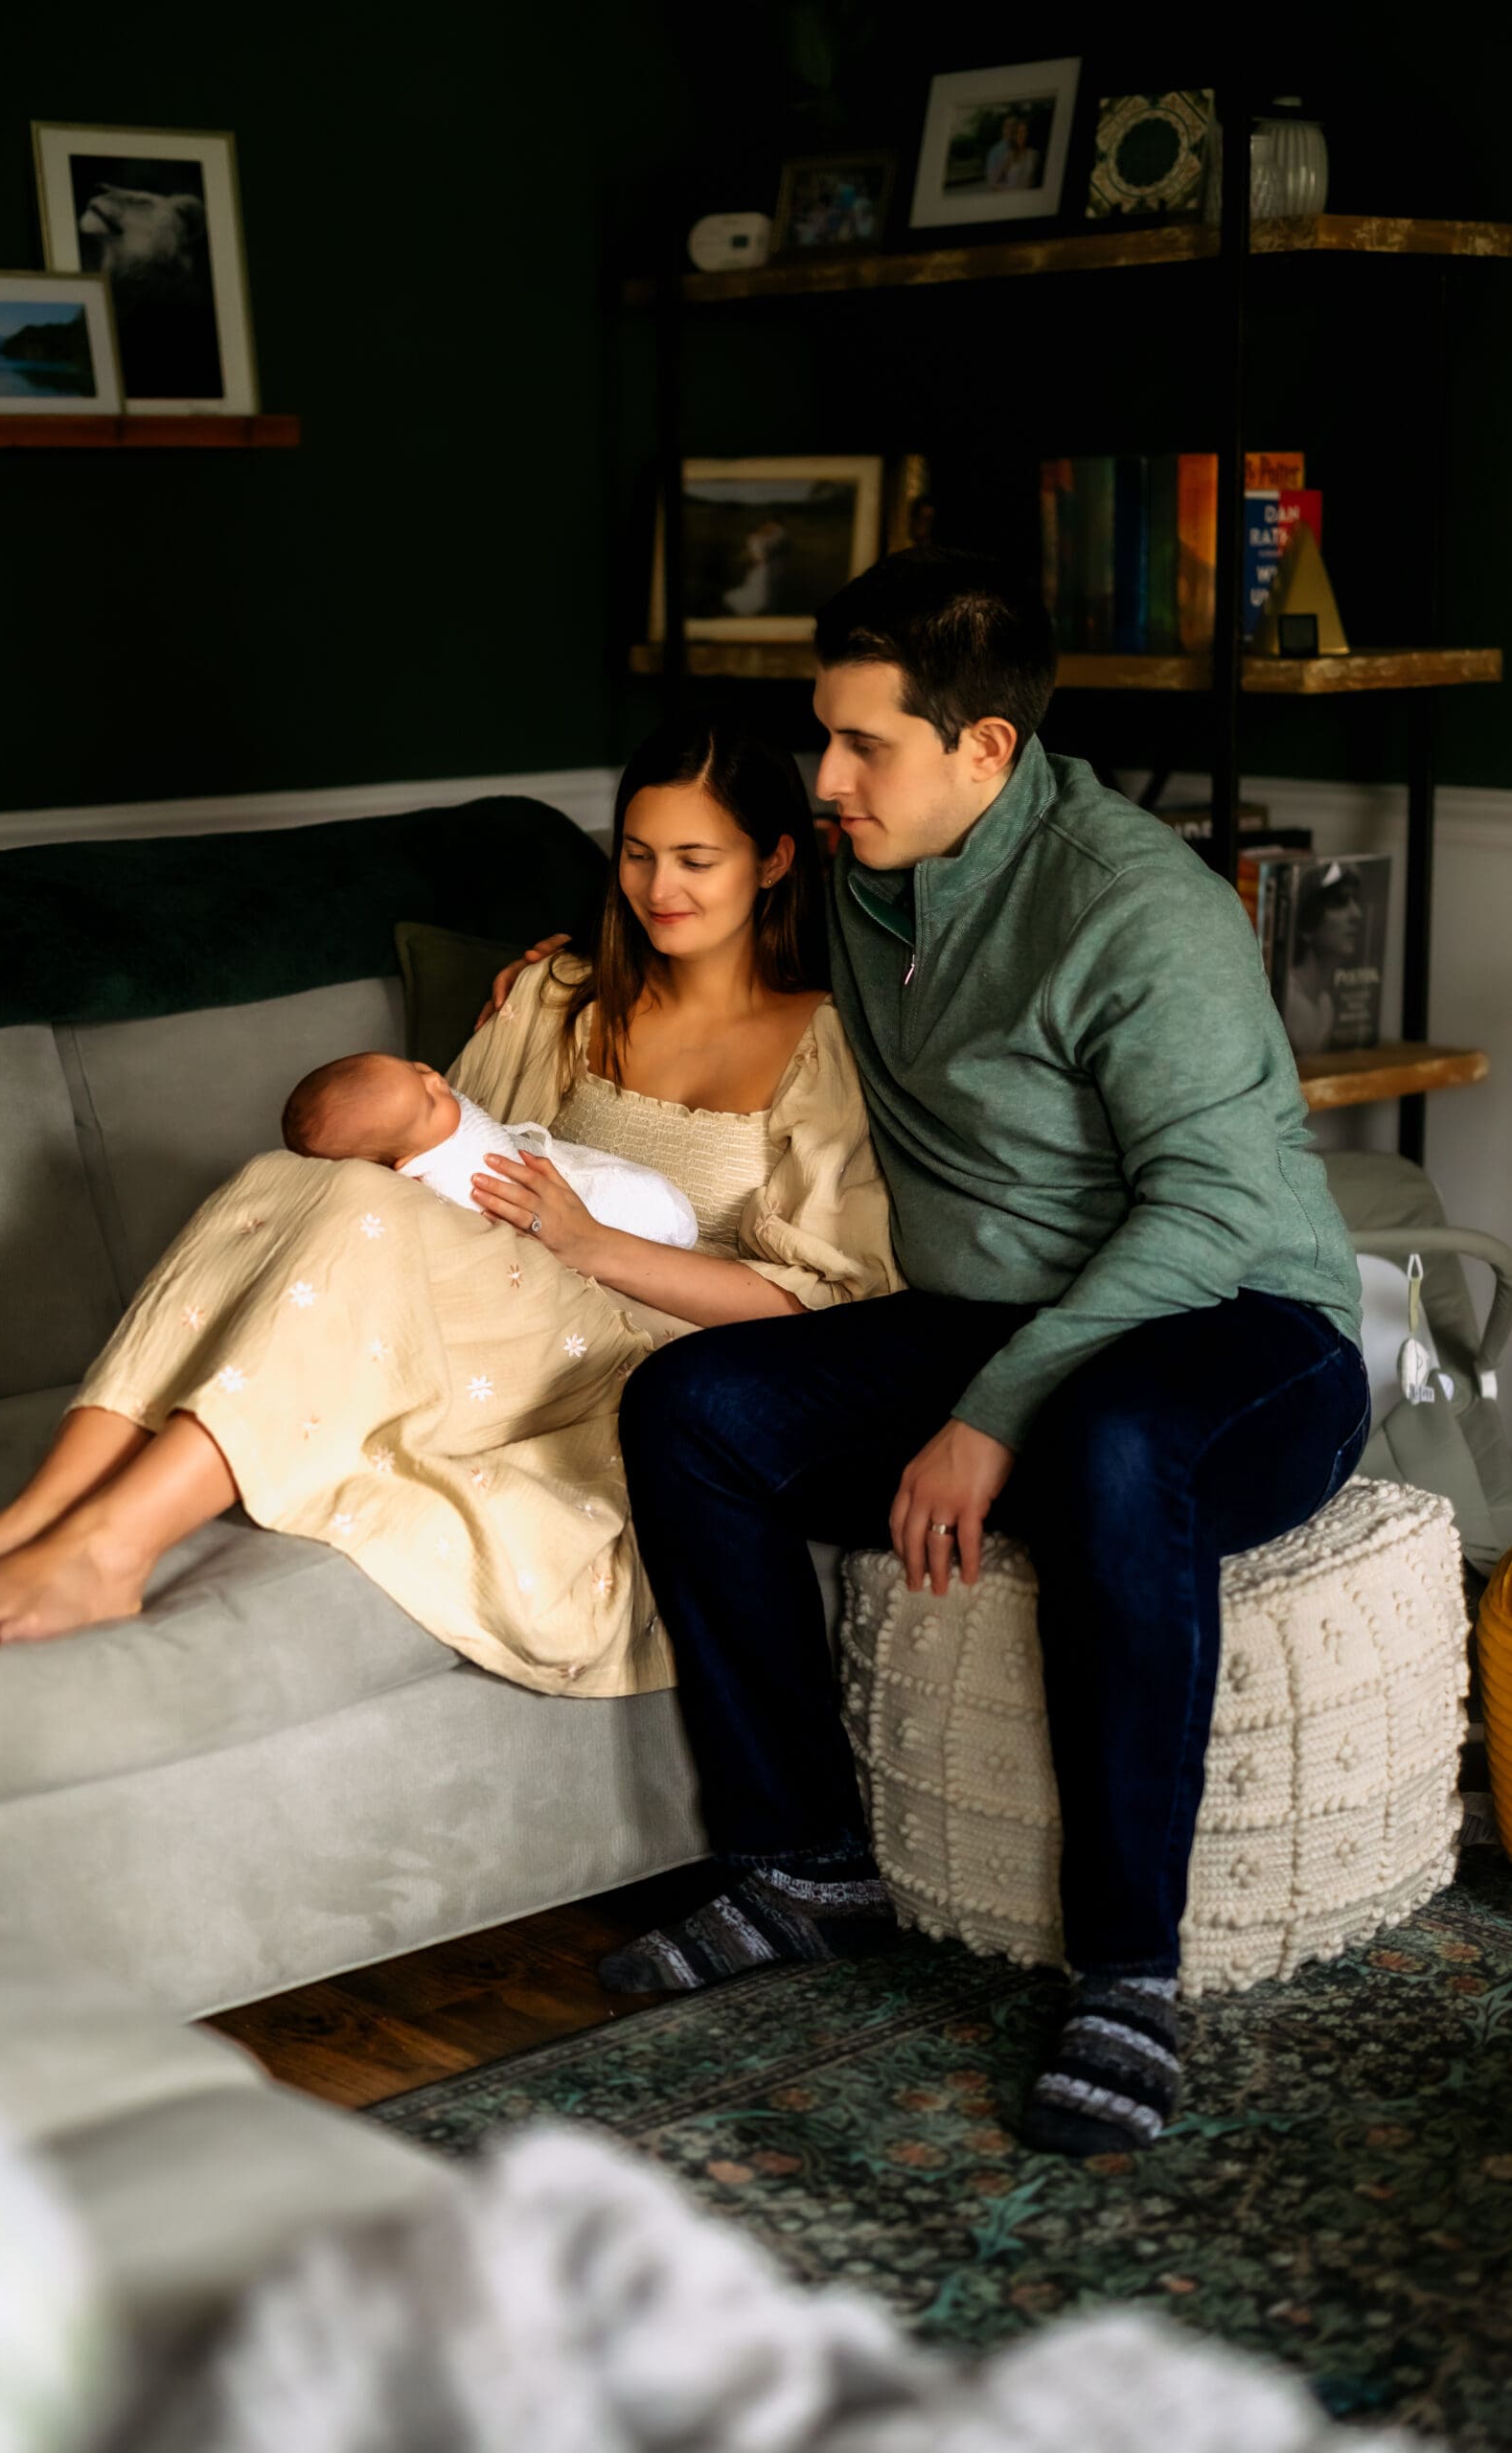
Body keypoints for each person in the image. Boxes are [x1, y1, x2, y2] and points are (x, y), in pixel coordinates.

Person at [490, 549, 1367, 2158]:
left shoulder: (1132, 910)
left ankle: (1124, 1978)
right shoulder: (861, 866)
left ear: (982, 749)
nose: (821, 780)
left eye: (860, 747)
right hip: (981, 1314)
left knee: (1106, 1449)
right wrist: (562, 975)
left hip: (1232, 1326)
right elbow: (695, 888)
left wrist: (991, 1412)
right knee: (692, 1408)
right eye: (817, 739)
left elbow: (1206, 1212)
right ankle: (803, 1866)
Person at [0, 722, 896, 1705]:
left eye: (694, 859)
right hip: (498, 1290)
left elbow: (815, 1311)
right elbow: (446, 1159)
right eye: (634, 854)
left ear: (771, 860)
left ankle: (112, 1548)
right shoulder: (557, 996)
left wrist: (592, 1242)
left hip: (641, 1359)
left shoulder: (823, 1045)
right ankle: (40, 1516)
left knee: (357, 1204)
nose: (657, 888)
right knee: (296, 1176)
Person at [281, 1050, 700, 1249]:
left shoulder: (430, 1128)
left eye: (417, 1069)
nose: (437, 1080)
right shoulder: (449, 1184)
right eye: (429, 1101)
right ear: (406, 1166)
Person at [1282, 861, 1363, 1056]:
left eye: (1355, 901)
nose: (1356, 914)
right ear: (1307, 919)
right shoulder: (1287, 1000)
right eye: (1340, 902)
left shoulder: (1326, 1006)